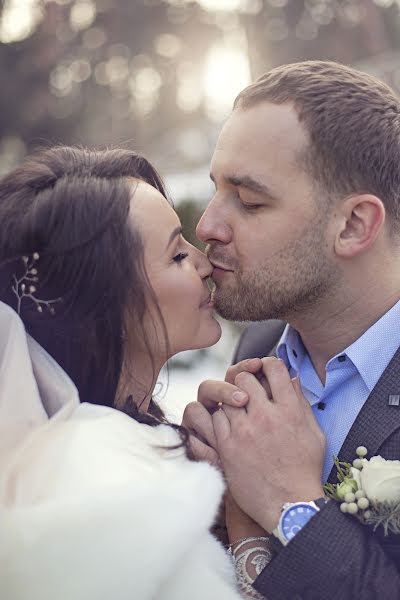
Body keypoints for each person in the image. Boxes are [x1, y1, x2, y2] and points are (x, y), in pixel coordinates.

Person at [183, 61, 400, 599]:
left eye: (249, 201)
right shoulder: (257, 349)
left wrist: (290, 503)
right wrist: (213, 496)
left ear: (353, 225)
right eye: (216, 189)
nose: (207, 225)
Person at [0, 146, 249, 600]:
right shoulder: (105, 495)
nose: (205, 263)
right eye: (177, 255)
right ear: (103, 307)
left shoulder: (130, 445)